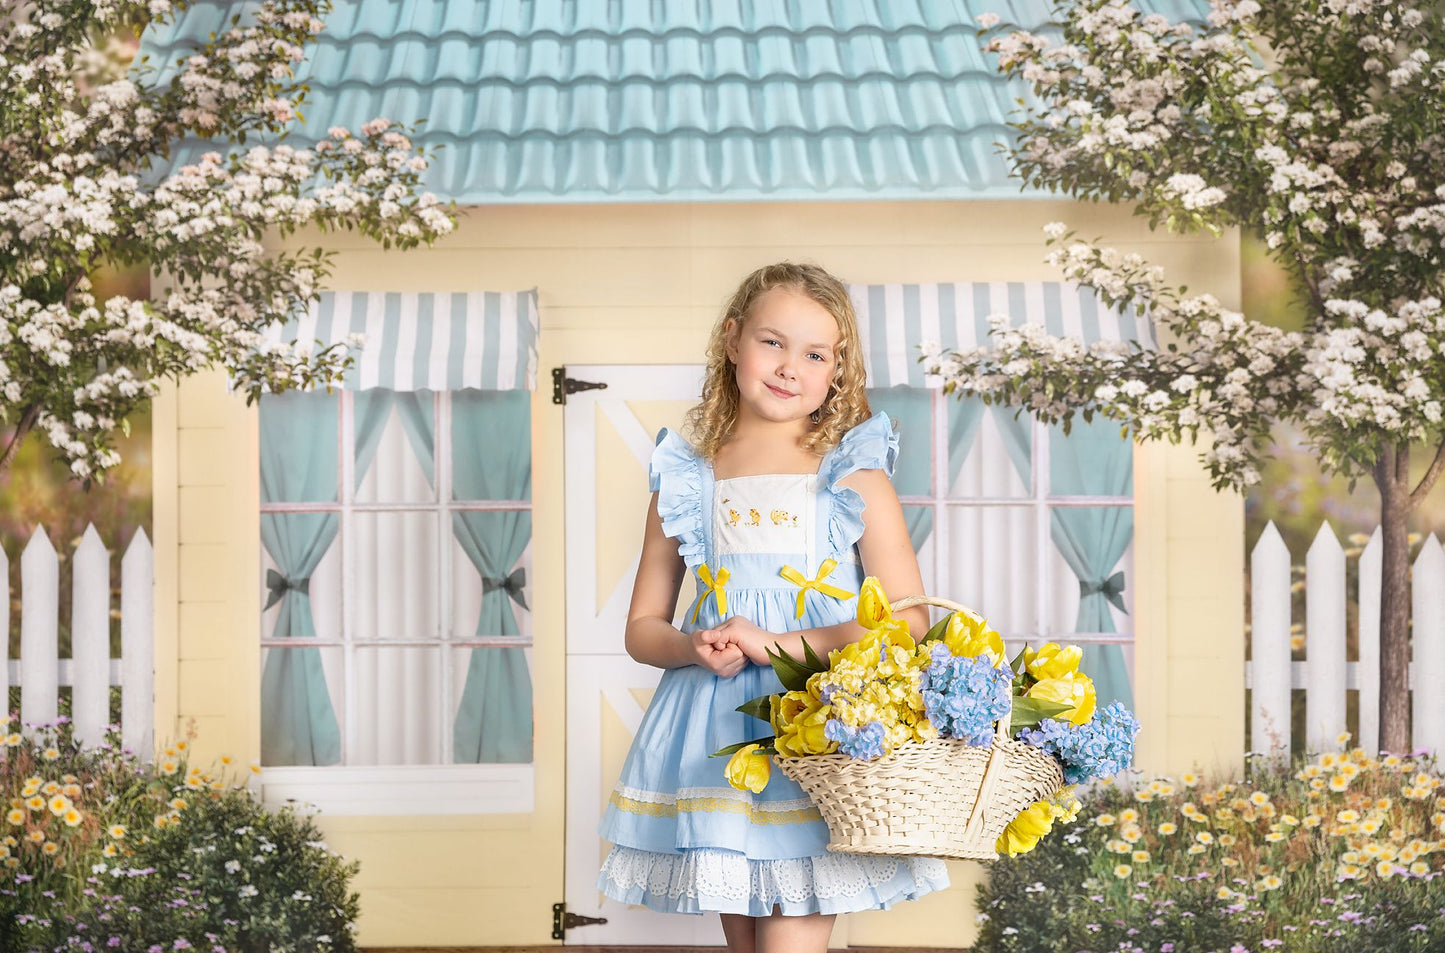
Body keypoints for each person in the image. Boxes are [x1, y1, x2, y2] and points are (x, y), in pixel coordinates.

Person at [597, 262, 949, 952]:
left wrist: (778, 645)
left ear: (836, 370)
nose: (790, 367)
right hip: (715, 735)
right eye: (772, 342)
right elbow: (641, 629)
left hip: (818, 728)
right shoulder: (687, 478)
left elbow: (907, 621)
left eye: (815, 354)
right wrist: (690, 645)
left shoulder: (853, 472)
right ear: (733, 340)